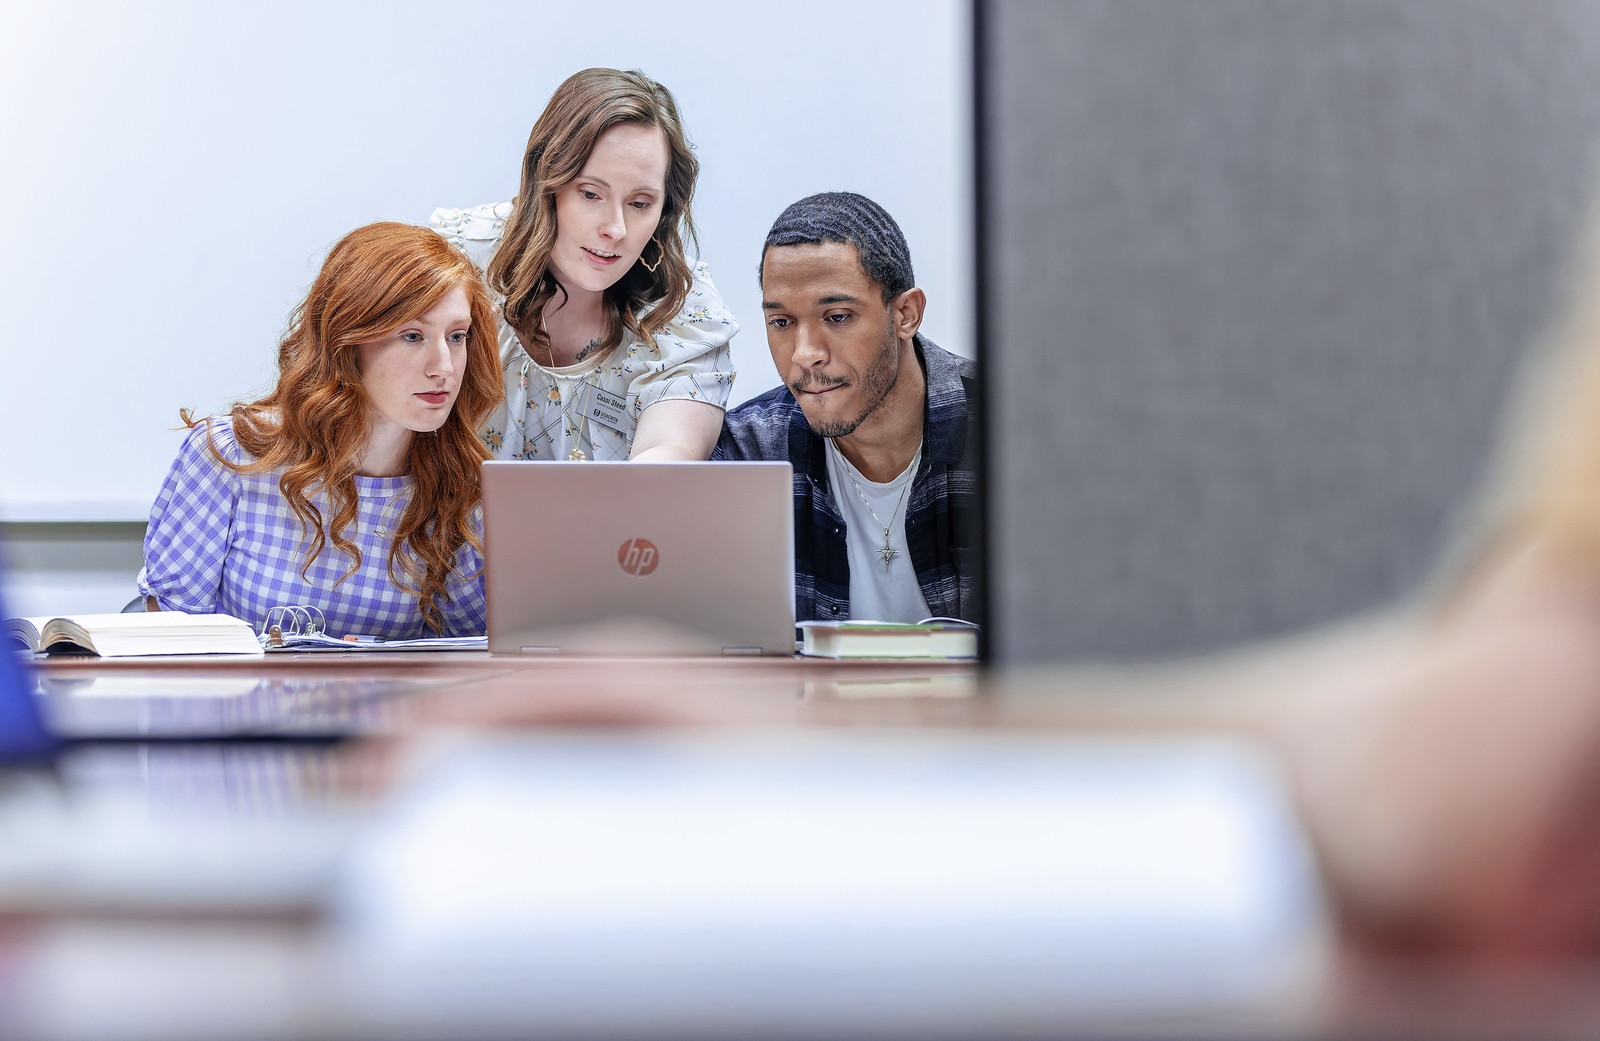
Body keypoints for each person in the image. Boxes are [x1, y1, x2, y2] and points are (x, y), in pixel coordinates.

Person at [138, 222, 501, 639]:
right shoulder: (228, 455)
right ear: (347, 341)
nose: (445, 366)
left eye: (457, 336)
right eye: (413, 335)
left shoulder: (461, 487)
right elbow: (167, 646)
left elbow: (477, 655)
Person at [431, 68, 736, 463]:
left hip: (617, 523)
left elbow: (670, 454)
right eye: (591, 194)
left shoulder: (683, 310)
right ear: (547, 184)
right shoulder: (461, 261)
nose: (615, 229)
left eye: (640, 203)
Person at [714, 192, 978, 623]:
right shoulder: (749, 455)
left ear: (906, 314)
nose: (805, 354)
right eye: (781, 323)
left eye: (836, 316)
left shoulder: (1011, 431)